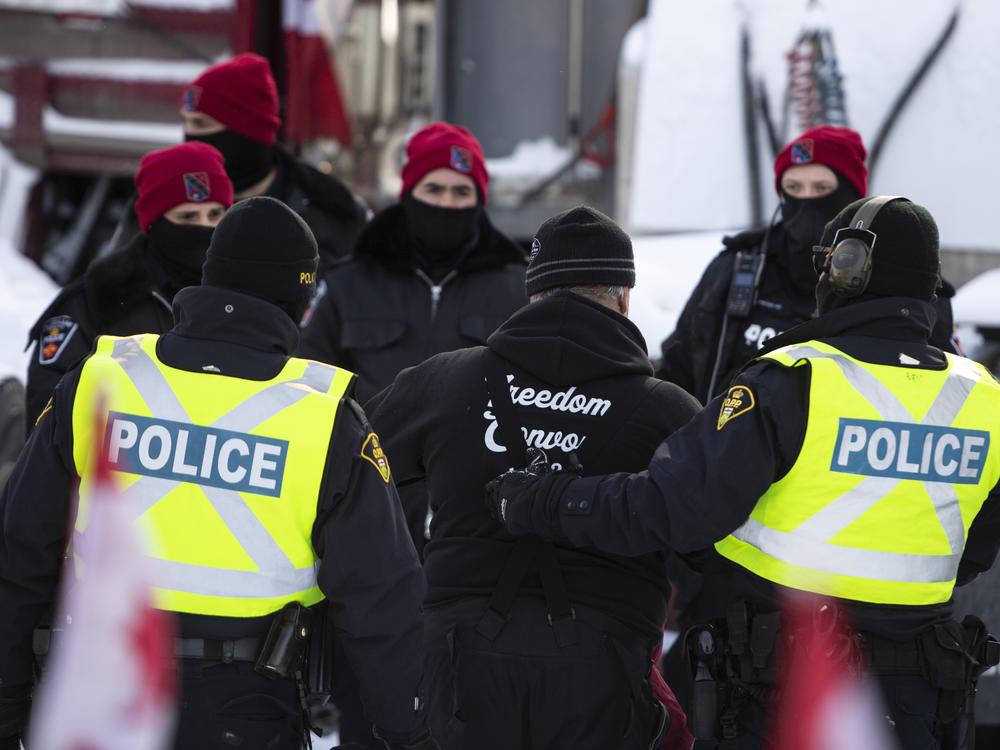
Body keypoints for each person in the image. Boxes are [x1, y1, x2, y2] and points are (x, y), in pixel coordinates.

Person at [486, 197, 1000, 749]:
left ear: (850, 269)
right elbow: (973, 550)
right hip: (919, 695)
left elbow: (673, 509)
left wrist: (543, 500)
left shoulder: (791, 380)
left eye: (829, 261)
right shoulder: (984, 397)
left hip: (787, 689)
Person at [0, 197, 438, 750]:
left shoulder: (98, 383)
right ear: (300, 303)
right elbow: (385, 603)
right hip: (244, 711)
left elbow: (19, 555)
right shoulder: (326, 420)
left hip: (99, 696)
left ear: (209, 279)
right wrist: (415, 734)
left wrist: (8, 708)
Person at [366, 206, 699, 750]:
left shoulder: (443, 382)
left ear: (533, 295)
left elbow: (351, 481)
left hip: (456, 671)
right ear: (623, 298)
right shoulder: (668, 411)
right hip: (603, 676)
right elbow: (712, 545)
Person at [657, 125, 960, 406]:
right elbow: (677, 369)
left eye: (821, 188)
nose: (805, 200)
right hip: (726, 449)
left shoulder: (899, 279)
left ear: (852, 197)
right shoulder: (737, 267)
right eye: (793, 187)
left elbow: (948, 390)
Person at [298, 121, 528, 404]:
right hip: (369, 446)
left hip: (477, 448)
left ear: (480, 201)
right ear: (408, 194)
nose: (446, 203)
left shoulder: (518, 288)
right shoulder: (349, 284)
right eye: (434, 189)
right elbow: (308, 385)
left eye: (461, 192)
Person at [25, 141, 234, 430]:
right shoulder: (99, 299)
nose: (204, 228)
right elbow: (47, 416)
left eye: (216, 215)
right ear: (155, 223)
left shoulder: (249, 295)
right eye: (187, 217)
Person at [112, 52, 369, 277]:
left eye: (202, 125)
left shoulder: (330, 209)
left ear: (247, 132)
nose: (189, 136)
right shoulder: (164, 197)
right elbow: (118, 286)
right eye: (186, 122)